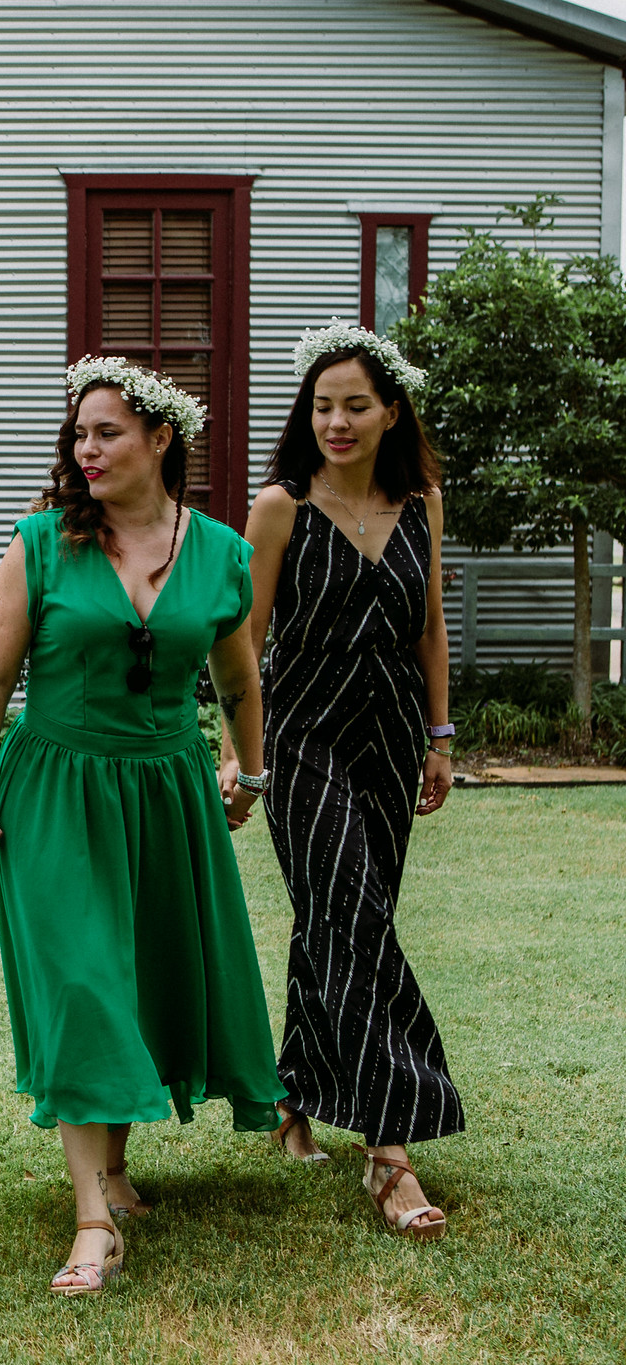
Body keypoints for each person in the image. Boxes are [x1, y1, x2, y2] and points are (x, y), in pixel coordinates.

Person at [0, 357, 282, 1296]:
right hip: (56, 788)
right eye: (79, 435)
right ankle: (94, 1219)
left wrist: (247, 772)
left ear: (162, 439)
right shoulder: (42, 543)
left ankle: (116, 1170)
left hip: (168, 788)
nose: (86, 449)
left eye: (108, 432)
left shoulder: (219, 551)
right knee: (83, 981)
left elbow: (240, 679)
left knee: (137, 977)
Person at [224, 322, 457, 1240]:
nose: (337, 421)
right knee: (350, 911)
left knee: (342, 916)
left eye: (355, 404)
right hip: (304, 732)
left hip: (393, 734)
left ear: (391, 410)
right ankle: (390, 1147)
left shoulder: (424, 501)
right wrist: (248, 751)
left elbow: (430, 627)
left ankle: (293, 1092)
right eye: (323, 406)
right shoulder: (280, 506)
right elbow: (243, 638)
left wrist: (440, 737)